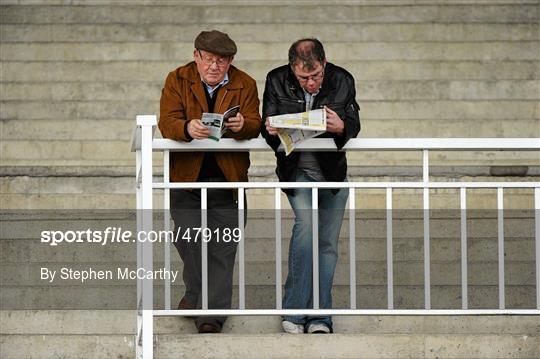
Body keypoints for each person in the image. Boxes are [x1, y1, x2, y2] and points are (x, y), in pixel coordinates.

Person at [159, 30, 261, 333]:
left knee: (222, 246)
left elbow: (256, 122)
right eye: (209, 59)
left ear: (230, 61)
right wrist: (187, 128)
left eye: (222, 60)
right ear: (196, 57)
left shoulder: (246, 83)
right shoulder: (177, 79)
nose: (215, 66)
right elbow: (167, 122)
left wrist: (244, 125)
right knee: (188, 239)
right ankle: (194, 294)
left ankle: (210, 316)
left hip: (229, 180)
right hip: (187, 178)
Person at [261, 38, 360, 334]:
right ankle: (294, 311)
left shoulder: (342, 79)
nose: (311, 82)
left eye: (315, 75)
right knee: (306, 228)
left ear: (324, 64)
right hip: (296, 171)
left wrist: (340, 126)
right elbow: (266, 127)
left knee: (327, 245)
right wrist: (270, 129)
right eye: (304, 77)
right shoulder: (276, 79)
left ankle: (320, 316)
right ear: (293, 68)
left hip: (332, 173)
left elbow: (354, 122)